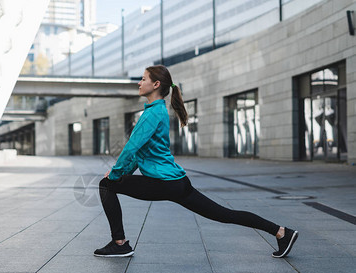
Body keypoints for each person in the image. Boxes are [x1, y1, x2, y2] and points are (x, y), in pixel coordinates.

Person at [94, 65, 298, 258]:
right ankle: (281, 232)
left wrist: (115, 174)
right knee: (224, 214)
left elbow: (131, 148)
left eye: (143, 79)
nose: (139, 83)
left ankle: (119, 244)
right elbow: (139, 152)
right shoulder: (158, 111)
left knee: (106, 185)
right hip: (177, 182)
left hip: (164, 183)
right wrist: (121, 173)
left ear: (156, 85)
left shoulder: (151, 114)